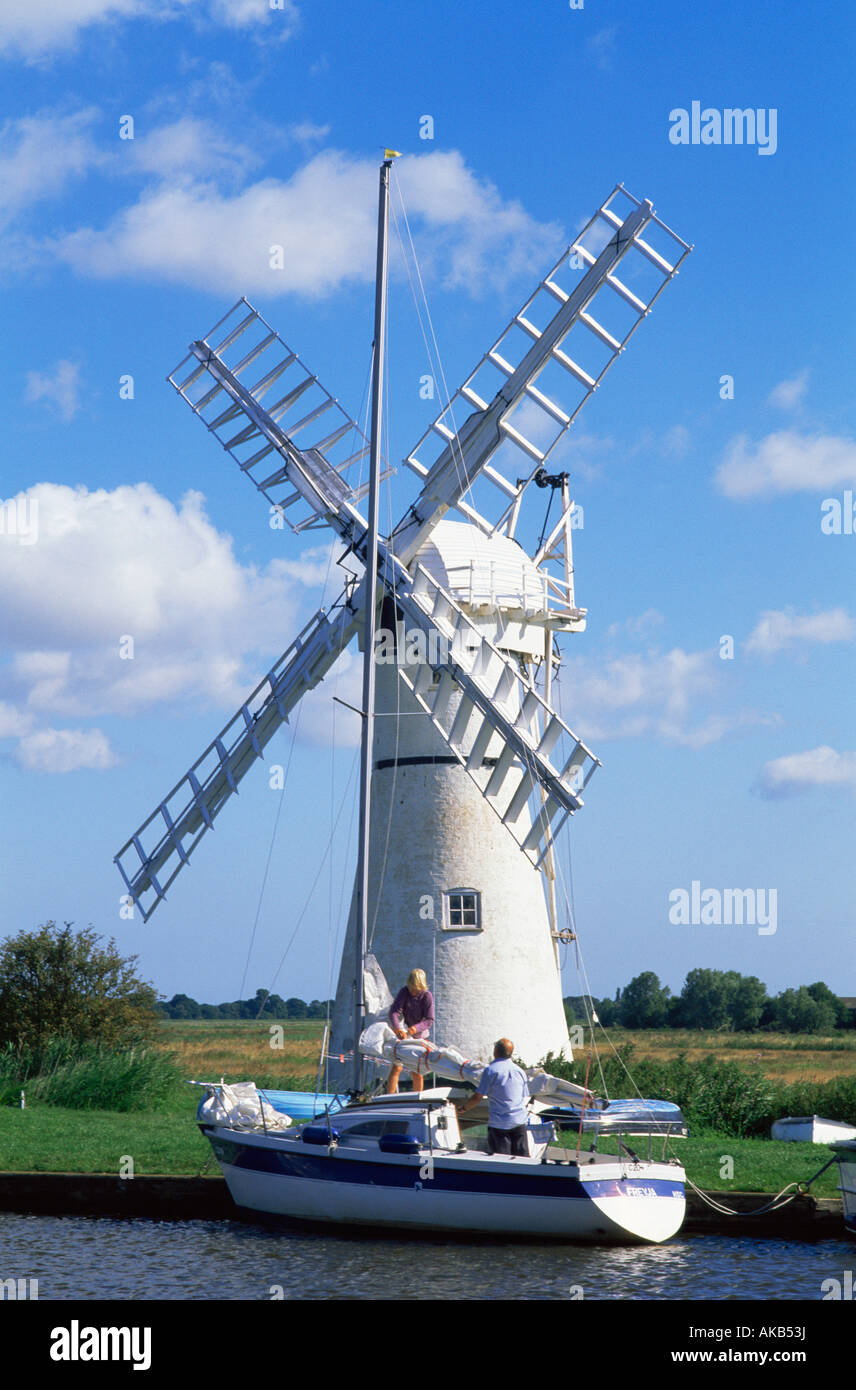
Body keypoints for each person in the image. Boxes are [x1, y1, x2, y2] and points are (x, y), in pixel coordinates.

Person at [456, 1038, 530, 1156]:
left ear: (495, 1051)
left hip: (499, 1124)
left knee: (501, 1161)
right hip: (519, 1122)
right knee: (523, 1161)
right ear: (511, 1053)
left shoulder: (490, 1071)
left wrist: (463, 1109)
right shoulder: (520, 1071)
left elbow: (477, 1097)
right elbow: (524, 1096)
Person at [386, 968, 434, 1094]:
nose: (412, 991)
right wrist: (397, 1028)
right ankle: (389, 1097)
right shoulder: (404, 992)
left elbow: (429, 1020)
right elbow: (394, 1012)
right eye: (411, 987)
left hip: (419, 1035)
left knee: (417, 1070)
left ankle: (417, 1097)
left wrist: (415, 1028)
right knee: (396, 1067)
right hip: (403, 1032)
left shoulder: (427, 996)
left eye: (415, 989)